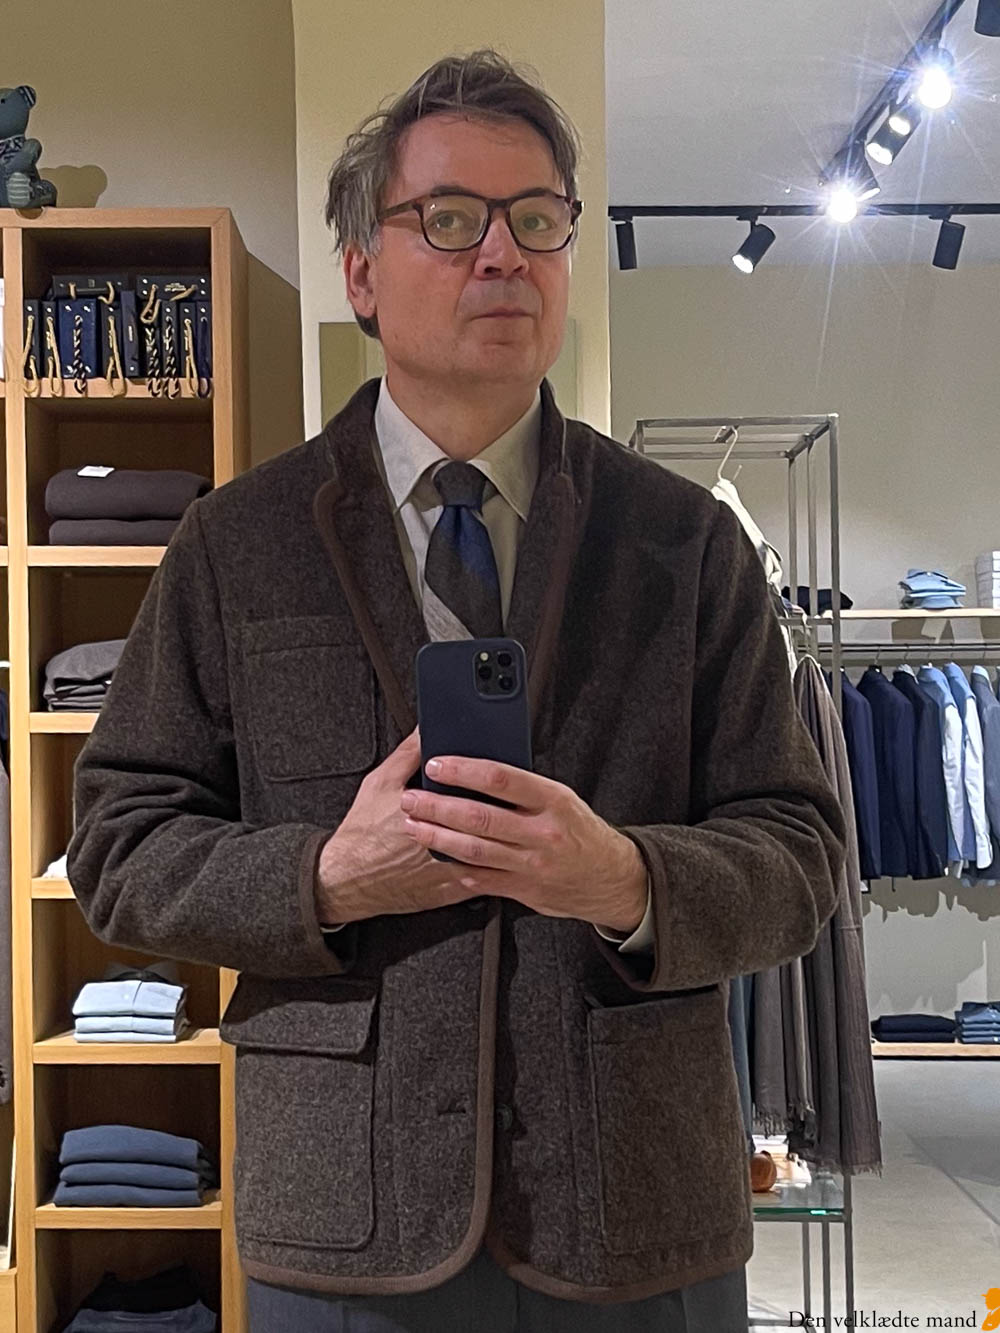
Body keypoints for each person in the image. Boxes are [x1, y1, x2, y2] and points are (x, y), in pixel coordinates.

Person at [67, 48, 845, 1333]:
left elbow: (801, 852)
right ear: (360, 272)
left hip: (633, 1205)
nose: (502, 255)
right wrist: (326, 877)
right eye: (448, 218)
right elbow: (120, 847)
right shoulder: (237, 543)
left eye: (536, 219)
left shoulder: (684, 544)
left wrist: (626, 880)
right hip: (346, 1210)